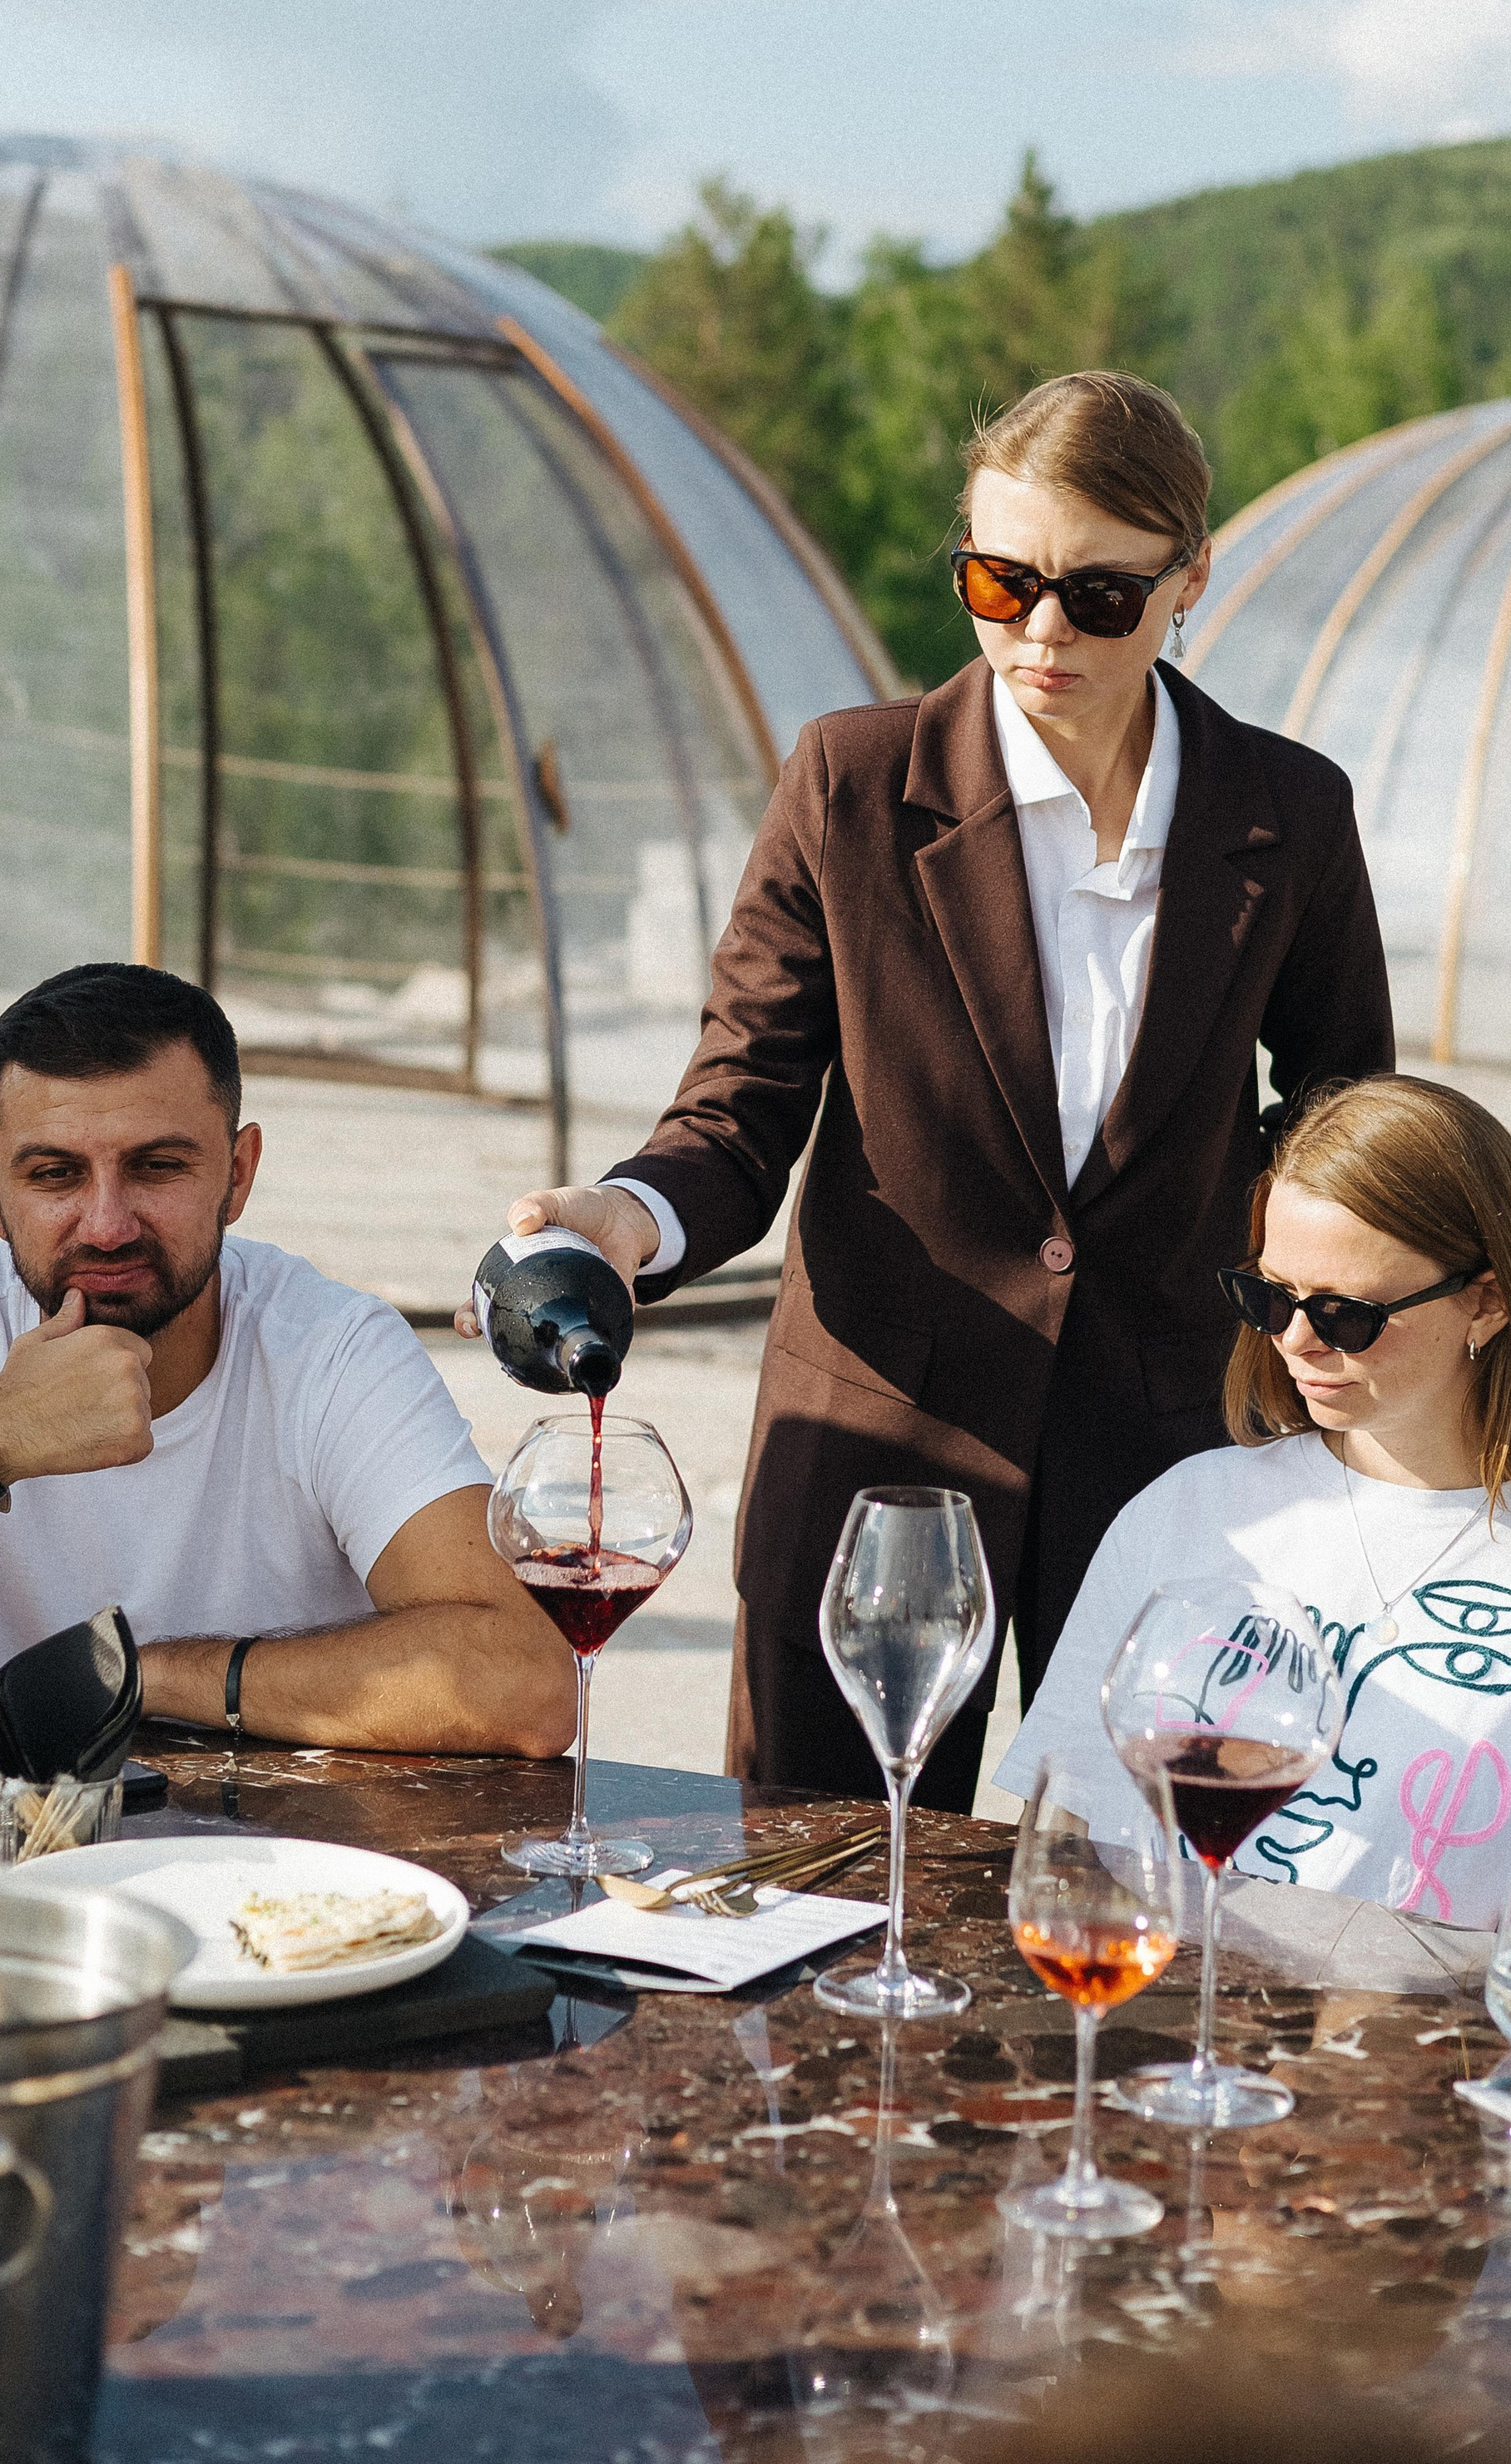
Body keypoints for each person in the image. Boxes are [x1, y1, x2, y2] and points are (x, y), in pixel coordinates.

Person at [462, 370, 1395, 1804]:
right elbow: (740, 1104)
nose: (1039, 631)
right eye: (996, 577)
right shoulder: (850, 784)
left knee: (1144, 1894)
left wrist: (1298, 1330)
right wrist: (623, 1221)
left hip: (1169, 1450)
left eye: (1098, 595)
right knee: (826, 1894)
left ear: (1190, 577)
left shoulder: (1291, 812)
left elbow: (1346, 1121)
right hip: (876, 1450)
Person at [0, 964, 575, 1756]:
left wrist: (136, 1677)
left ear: (238, 1172)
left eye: (157, 1167)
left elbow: (525, 1684)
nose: (107, 1223)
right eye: (53, 1175)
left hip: (292, 1883)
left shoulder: (332, 1347)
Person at [996, 1075, 1511, 1946]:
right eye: (1270, 1297)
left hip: (1418, 2069)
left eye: (1345, 1314)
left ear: (1489, 1299)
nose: (1293, 1340)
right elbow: (1067, 1847)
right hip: (1163, 2048)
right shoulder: (1188, 1513)